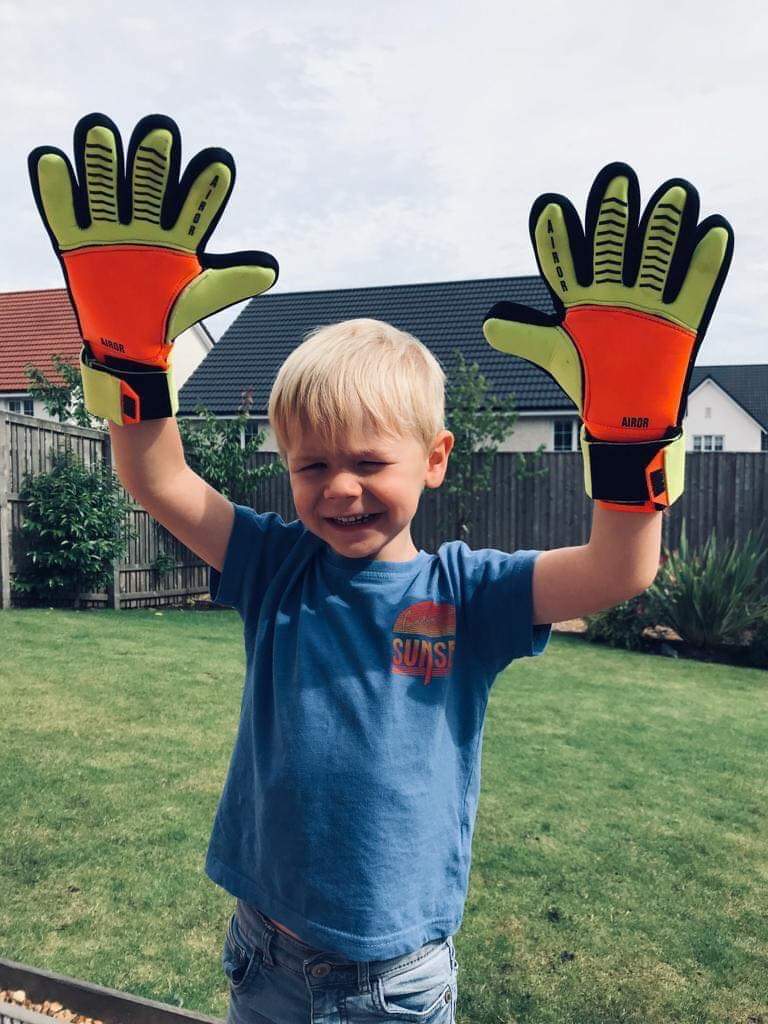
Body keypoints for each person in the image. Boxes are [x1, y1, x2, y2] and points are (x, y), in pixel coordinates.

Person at [28, 114, 732, 1024]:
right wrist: (128, 354)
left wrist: (630, 431)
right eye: (312, 465)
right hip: (265, 952)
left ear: (435, 459)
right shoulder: (274, 564)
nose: (340, 488)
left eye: (369, 462)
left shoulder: (468, 592)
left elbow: (617, 569)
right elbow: (158, 478)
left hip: (394, 982)